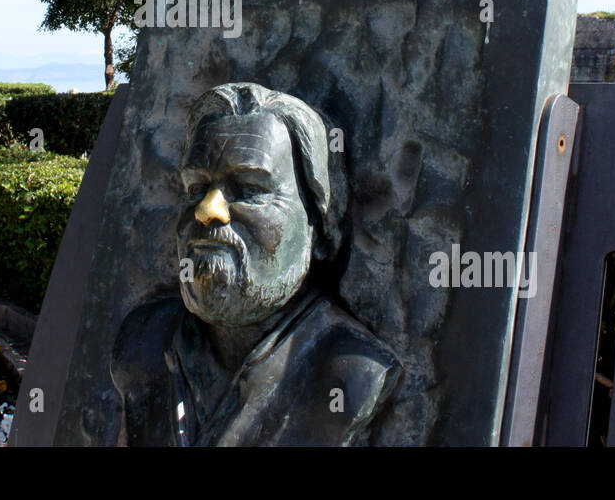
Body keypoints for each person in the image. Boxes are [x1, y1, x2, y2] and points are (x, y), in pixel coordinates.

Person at [111, 82, 402, 445]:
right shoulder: (143, 342)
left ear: (321, 227)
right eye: (197, 189)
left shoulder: (353, 376)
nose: (207, 211)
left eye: (249, 189)